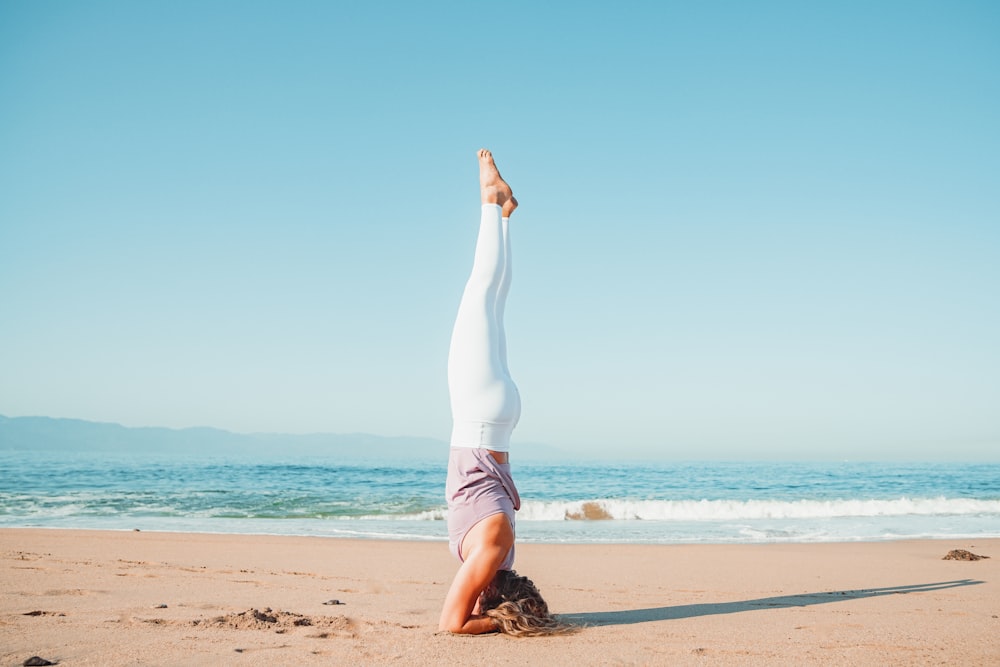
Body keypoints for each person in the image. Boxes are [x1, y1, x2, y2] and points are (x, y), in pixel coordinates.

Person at [437, 149, 569, 636]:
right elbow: (451, 624)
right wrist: (491, 623)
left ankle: (505, 214)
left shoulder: (503, 551)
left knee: (492, 304)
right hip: (478, 417)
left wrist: (503, 610)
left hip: (498, 422)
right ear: (495, 593)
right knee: (478, 294)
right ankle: (490, 202)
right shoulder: (491, 551)